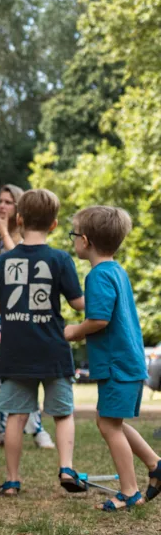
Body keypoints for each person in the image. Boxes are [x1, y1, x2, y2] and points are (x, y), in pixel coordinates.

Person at [0, 189, 84, 497]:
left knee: (16, 415)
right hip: (52, 348)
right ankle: (66, 467)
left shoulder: (4, 260)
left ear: (19, 219)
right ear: (54, 224)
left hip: (16, 351)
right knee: (62, 413)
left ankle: (13, 480)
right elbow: (78, 303)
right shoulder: (60, 259)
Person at [63, 206, 161, 511]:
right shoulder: (116, 270)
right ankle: (155, 464)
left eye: (74, 234)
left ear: (86, 240)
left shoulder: (98, 276)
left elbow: (99, 319)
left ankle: (129, 491)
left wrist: (73, 331)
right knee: (110, 422)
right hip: (126, 362)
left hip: (117, 364)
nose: (73, 240)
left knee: (108, 425)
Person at [0, 185, 53, 450]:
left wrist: (6, 232)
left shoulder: (26, 238)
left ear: (19, 209)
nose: (2, 207)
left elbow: (24, 264)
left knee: (24, 371)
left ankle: (38, 429)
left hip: (20, 314)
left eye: (9, 202)